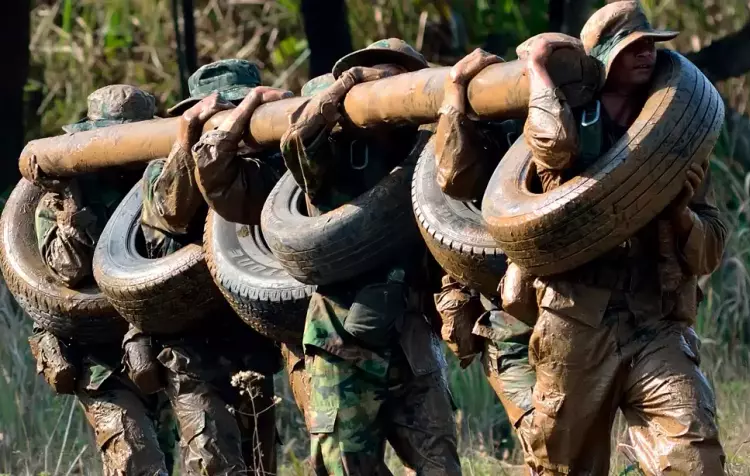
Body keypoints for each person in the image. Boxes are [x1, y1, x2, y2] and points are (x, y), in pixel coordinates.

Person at [191, 39, 461, 475]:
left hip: (412, 341)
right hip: (342, 343)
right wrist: (348, 87)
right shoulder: (335, 154)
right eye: (373, 71)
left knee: (441, 466)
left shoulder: (427, 150)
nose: (385, 80)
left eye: (395, 73)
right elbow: (300, 138)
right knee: (344, 468)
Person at [505, 2, 728, 474]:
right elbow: (552, 145)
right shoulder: (568, 119)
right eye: (632, 47)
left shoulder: (673, 133)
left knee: (694, 450)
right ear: (605, 58)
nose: (646, 53)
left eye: (650, 44)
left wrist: (680, 215)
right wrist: (539, 70)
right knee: (562, 464)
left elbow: (711, 245)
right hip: (576, 322)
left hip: (655, 317)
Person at [136, 59, 285, 476]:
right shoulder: (161, 170)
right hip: (191, 350)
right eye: (225, 111)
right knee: (215, 464)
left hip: (251, 342)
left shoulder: (270, 165)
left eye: (244, 109)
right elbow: (172, 211)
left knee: (261, 465)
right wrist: (190, 142)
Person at [27, 84, 178, 476]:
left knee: (170, 457)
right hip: (100, 359)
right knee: (137, 462)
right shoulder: (61, 198)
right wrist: (73, 206)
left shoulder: (156, 181)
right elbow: (67, 270)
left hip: (157, 348)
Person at [430, 47, 537, 440]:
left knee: (571, 443)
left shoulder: (549, 129)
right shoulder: (473, 144)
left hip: (574, 314)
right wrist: (457, 88)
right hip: (507, 321)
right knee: (542, 436)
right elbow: (452, 176)